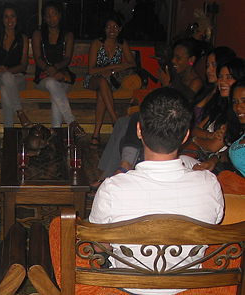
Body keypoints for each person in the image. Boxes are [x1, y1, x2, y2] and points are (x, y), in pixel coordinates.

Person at [89, 87, 224, 295]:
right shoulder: (210, 184)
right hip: (187, 285)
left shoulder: (112, 188)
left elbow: (99, 247)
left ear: (139, 131)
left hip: (130, 286)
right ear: (186, 135)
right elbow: (213, 228)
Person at [91, 38, 207, 188]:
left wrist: (167, 84)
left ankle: (117, 171)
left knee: (136, 118)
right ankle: (105, 174)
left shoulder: (196, 82)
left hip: (173, 125)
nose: (173, 60)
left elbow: (177, 108)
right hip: (163, 119)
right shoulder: (178, 75)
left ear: (191, 60)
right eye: (174, 56)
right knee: (122, 123)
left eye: (178, 57)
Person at [31, 1, 85, 138]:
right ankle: (71, 122)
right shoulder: (38, 34)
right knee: (51, 83)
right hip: (43, 77)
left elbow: (67, 58)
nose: (51, 18)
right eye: (48, 15)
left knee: (56, 94)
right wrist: (49, 69)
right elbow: (37, 57)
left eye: (54, 14)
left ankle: (54, 135)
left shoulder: (67, 35)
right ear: (44, 17)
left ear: (59, 15)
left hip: (63, 75)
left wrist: (56, 68)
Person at [83, 14, 136, 149]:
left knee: (102, 90)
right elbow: (91, 70)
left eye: (115, 27)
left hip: (110, 80)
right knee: (101, 82)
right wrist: (113, 67)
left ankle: (96, 134)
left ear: (120, 28)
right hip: (93, 79)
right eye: (108, 27)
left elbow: (132, 63)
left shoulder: (122, 44)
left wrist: (112, 71)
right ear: (104, 29)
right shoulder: (97, 43)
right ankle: (114, 118)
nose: (112, 30)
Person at [0, 3, 31, 128]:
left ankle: (8, 132)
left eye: (13, 16)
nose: (10, 20)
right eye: (6, 17)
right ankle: (20, 112)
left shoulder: (23, 38)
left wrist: (6, 71)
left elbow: (23, 66)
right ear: (1, 19)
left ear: (17, 18)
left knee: (5, 89)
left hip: (18, 78)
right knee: (5, 79)